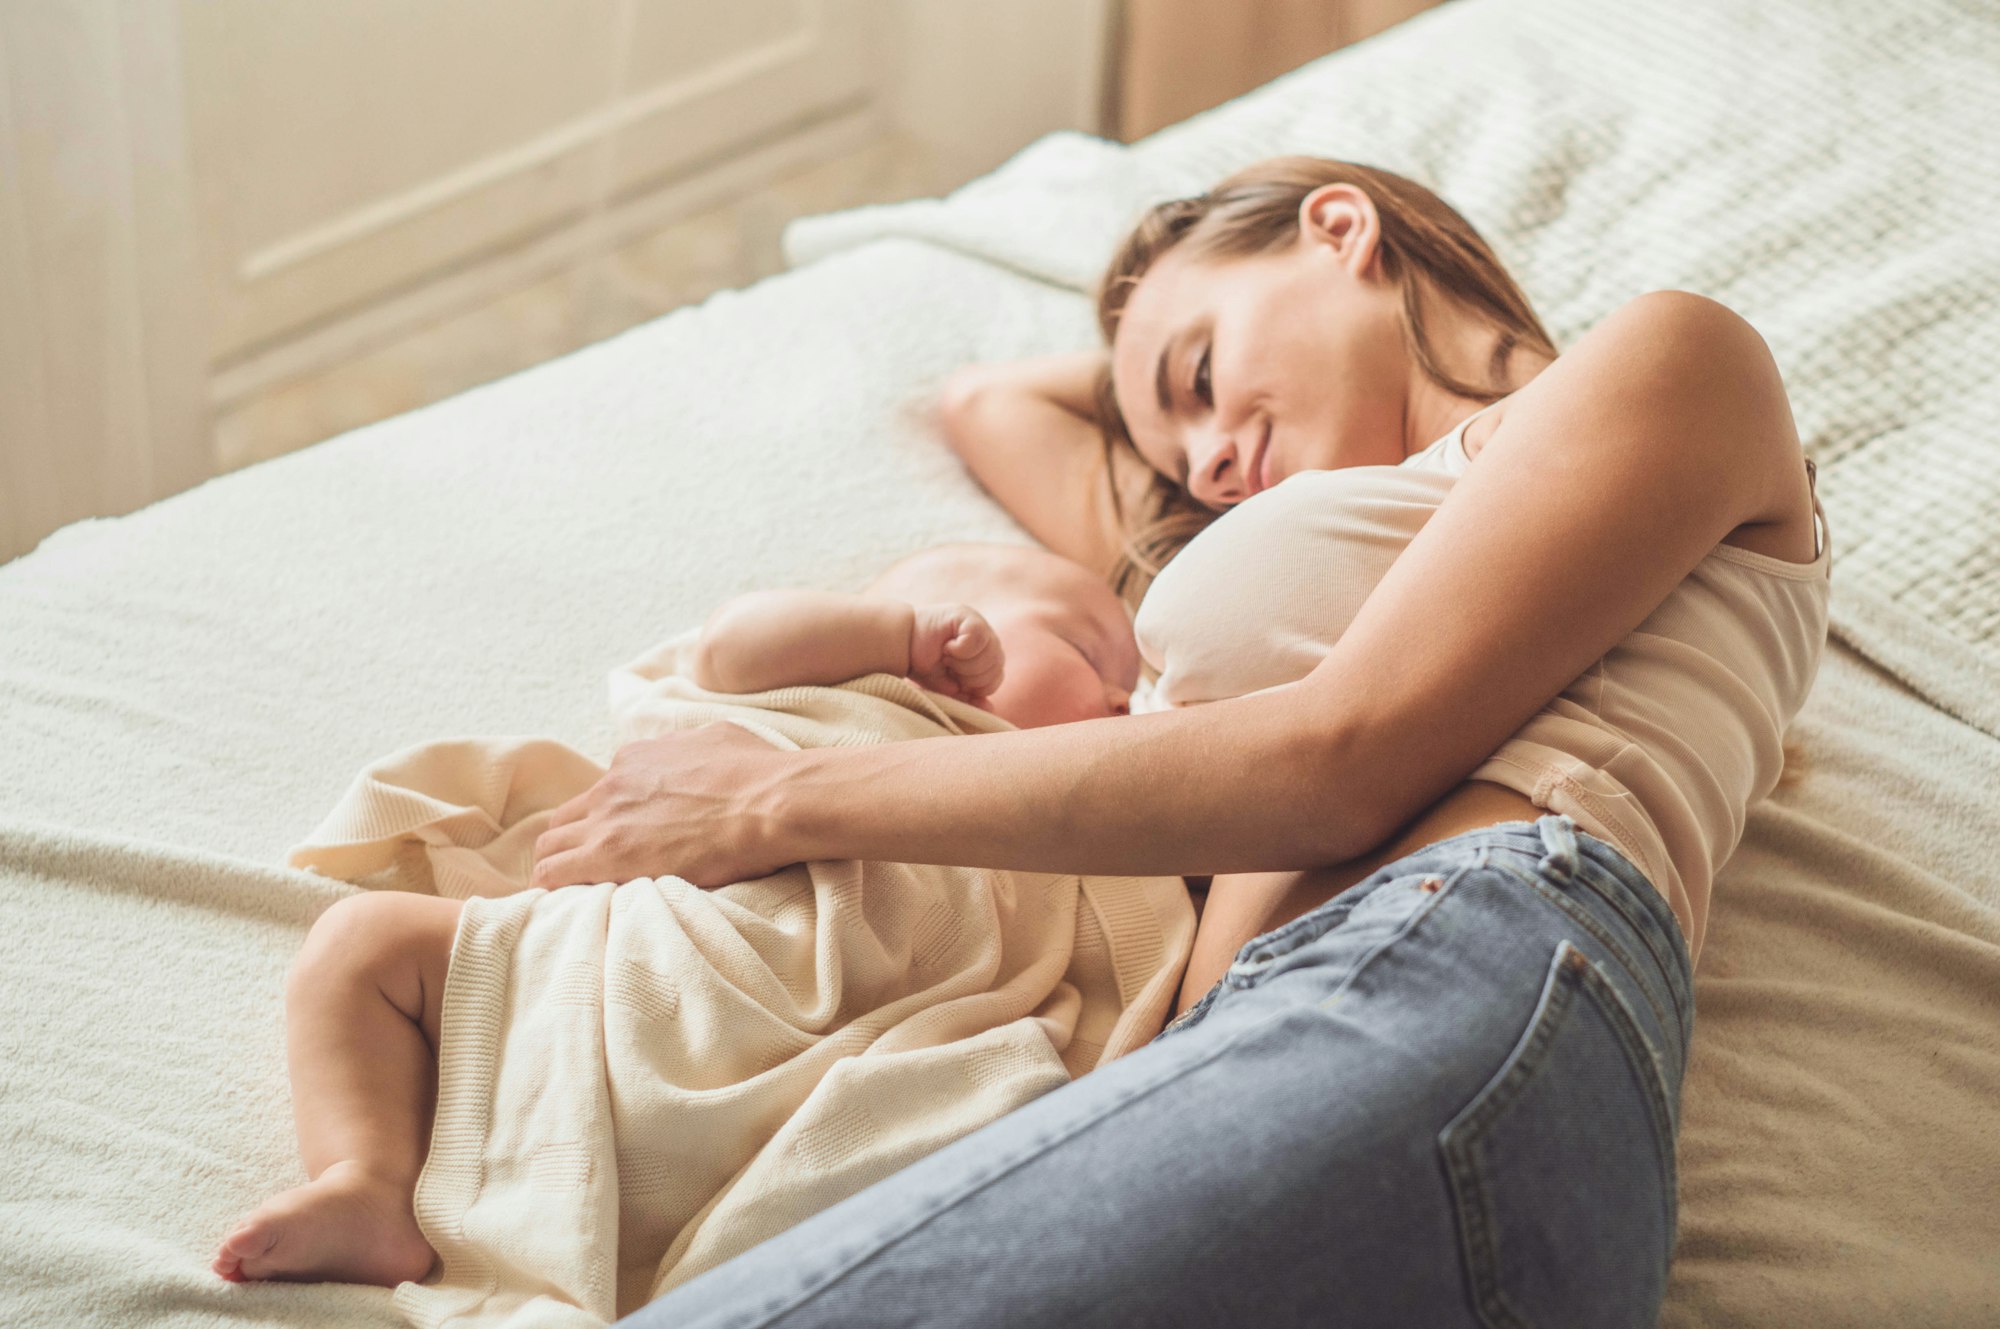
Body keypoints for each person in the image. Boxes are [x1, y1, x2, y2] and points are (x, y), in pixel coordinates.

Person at [540, 158, 1830, 1328]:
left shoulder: (1670, 361)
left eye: (1200, 375)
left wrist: (771, 802)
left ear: (1339, 228)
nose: (1211, 464)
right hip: (1282, 1050)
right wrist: (1179, 371)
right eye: (1180, 456)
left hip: (1449, 973)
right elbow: (987, 403)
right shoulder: (1299, 536)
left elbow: (1339, 762)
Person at [209, 541, 1153, 1288]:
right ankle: (368, 1181)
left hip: (826, 1044)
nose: (1123, 697)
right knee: (359, 945)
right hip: (641, 947)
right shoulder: (845, 690)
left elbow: (1131, 967)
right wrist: (894, 633)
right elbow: (735, 639)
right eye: (1087, 649)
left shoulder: (1054, 837)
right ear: (951, 618)